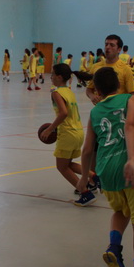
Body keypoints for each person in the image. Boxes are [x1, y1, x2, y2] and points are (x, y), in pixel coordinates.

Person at [76, 67, 134, 267]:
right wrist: (131, 159)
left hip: (106, 172)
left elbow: (87, 149)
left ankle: (114, 247)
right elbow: (130, 126)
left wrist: (83, 178)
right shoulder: (131, 100)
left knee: (121, 211)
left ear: (98, 91)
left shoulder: (95, 112)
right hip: (131, 170)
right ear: (119, 85)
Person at [39, 64, 85, 192]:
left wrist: (49, 129)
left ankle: (84, 192)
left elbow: (63, 113)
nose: (51, 77)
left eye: (52, 74)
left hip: (67, 133)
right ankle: (94, 178)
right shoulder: (69, 92)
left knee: (62, 167)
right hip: (79, 132)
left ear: (59, 77)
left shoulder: (56, 93)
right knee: (67, 164)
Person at [80, 34, 134, 104]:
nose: (107, 47)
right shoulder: (95, 67)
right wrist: (92, 96)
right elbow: (89, 89)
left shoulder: (127, 69)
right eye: (106, 44)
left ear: (119, 49)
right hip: (100, 108)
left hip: (118, 109)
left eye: (112, 45)